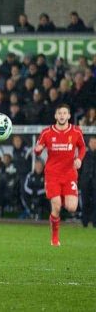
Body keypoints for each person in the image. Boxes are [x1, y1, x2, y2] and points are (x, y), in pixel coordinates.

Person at [35, 103, 86, 246]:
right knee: (56, 206)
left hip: (69, 174)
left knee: (71, 208)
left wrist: (79, 159)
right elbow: (38, 149)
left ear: (69, 116)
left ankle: (61, 197)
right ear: (55, 116)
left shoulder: (76, 132)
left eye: (65, 113)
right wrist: (38, 149)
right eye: (59, 113)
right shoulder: (47, 132)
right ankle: (55, 237)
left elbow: (82, 147)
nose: (62, 116)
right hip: (52, 174)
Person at [80, 137, 96, 227]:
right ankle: (84, 222)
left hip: (95, 182)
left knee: (95, 202)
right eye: (92, 142)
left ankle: (94, 222)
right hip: (85, 182)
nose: (94, 144)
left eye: (95, 142)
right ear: (89, 143)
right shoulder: (84, 155)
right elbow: (79, 169)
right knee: (85, 201)